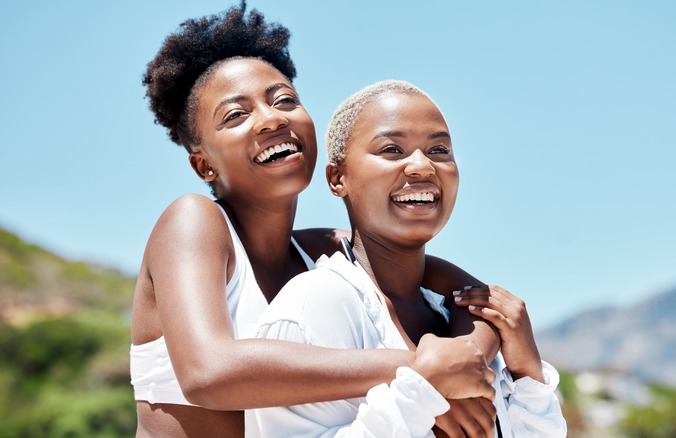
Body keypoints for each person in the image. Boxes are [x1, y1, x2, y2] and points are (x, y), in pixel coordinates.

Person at [130, 3, 501, 437]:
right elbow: (207, 374)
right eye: (236, 115)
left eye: (284, 100)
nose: (271, 118)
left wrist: (467, 357)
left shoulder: (323, 250)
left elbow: (474, 297)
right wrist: (420, 369)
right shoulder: (193, 222)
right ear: (204, 165)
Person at [248, 80, 567, 437]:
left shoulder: (466, 319)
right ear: (338, 179)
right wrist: (422, 391)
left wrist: (528, 376)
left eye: (439, 149)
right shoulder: (317, 303)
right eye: (392, 150)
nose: (421, 166)